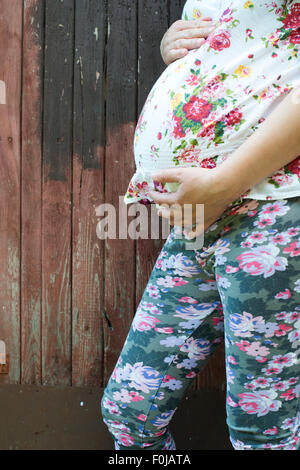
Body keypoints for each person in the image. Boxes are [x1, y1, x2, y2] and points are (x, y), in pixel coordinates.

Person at [101, 0, 300, 450]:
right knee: (130, 411)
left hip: (276, 210)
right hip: (200, 222)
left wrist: (224, 182)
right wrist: (178, 46)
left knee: (261, 432)